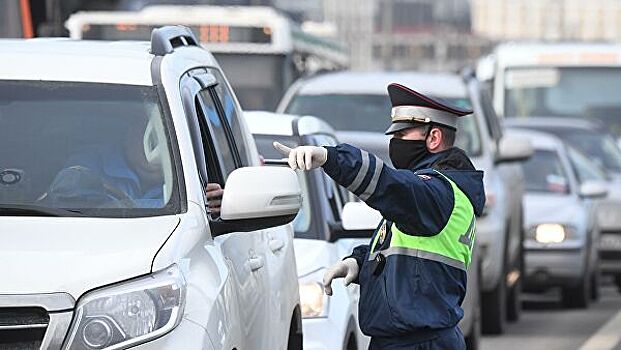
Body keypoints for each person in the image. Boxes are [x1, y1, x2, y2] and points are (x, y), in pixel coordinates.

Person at [274, 83, 485, 349]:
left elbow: (390, 185)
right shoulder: (433, 192)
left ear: (433, 138)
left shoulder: (435, 191)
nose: (394, 142)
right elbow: (410, 254)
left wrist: (331, 157)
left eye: (403, 133)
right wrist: (360, 263)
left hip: (418, 343)